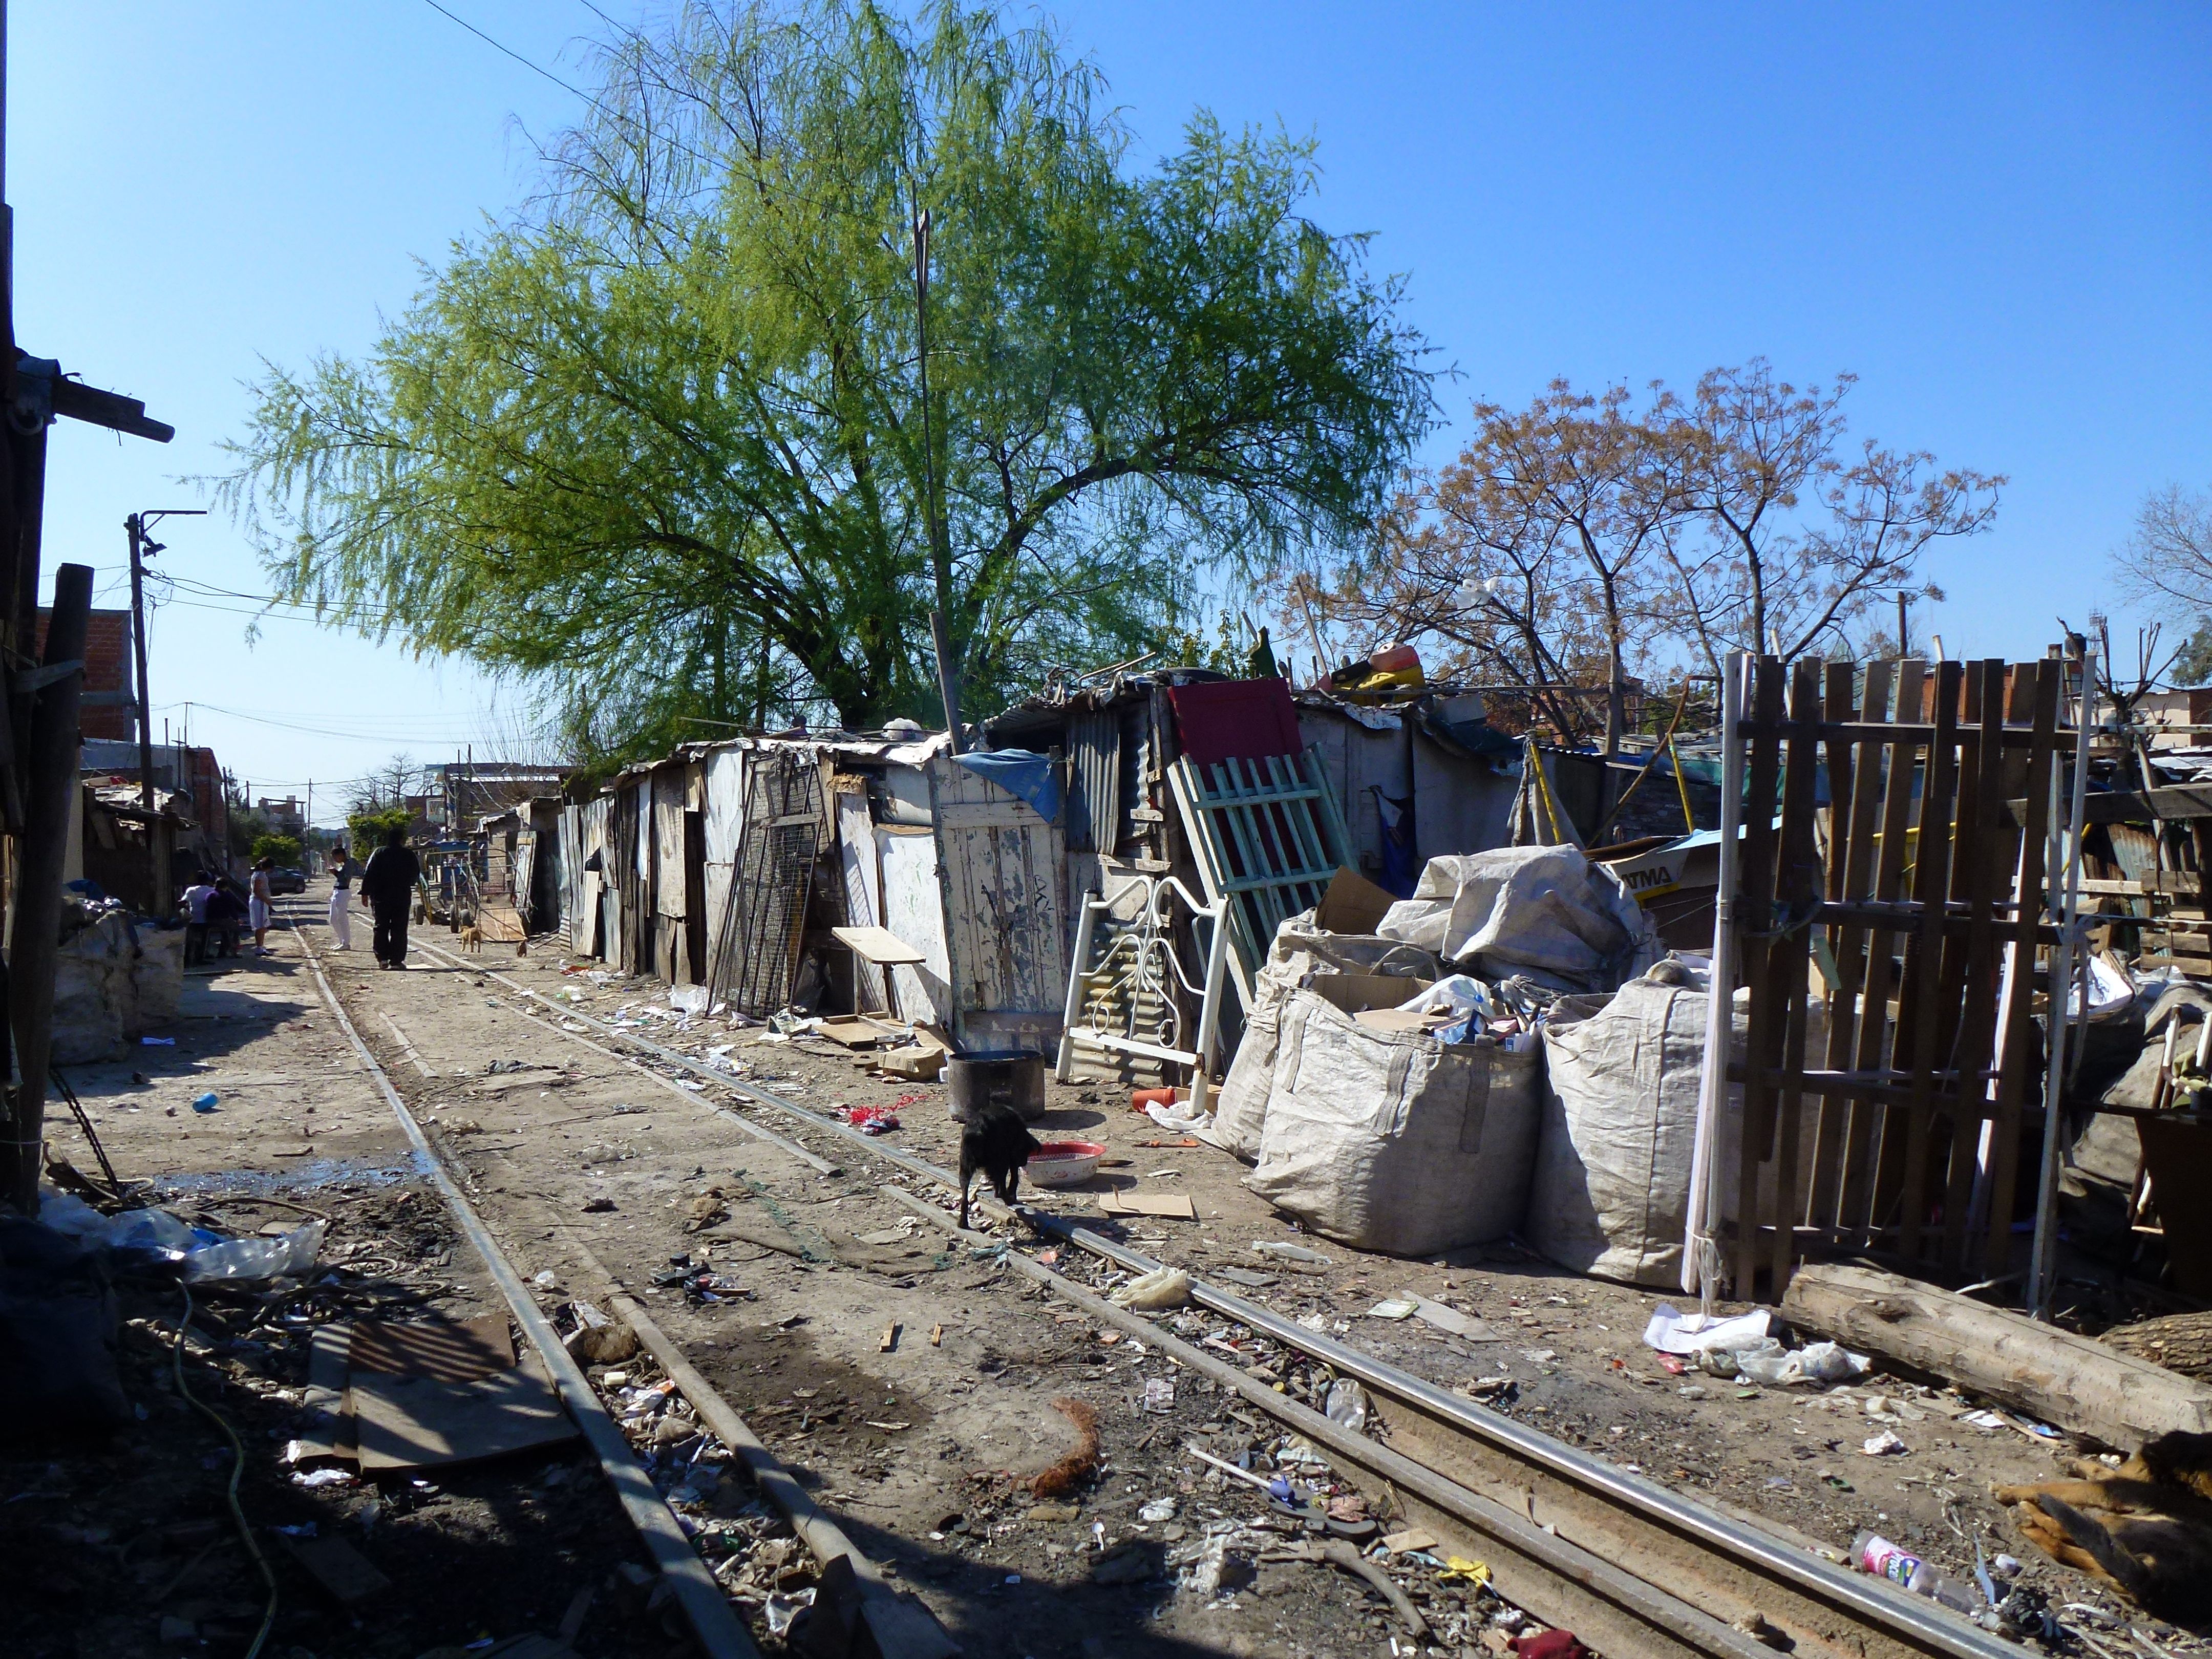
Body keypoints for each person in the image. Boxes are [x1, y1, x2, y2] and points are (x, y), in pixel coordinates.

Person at [360, 824, 421, 969]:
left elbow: (369, 873)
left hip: (380, 897)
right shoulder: (408, 854)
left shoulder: (379, 853)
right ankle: (396, 961)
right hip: (401, 897)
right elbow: (415, 874)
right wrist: (406, 883)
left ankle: (382, 959)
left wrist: (365, 893)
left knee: (381, 927)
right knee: (399, 929)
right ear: (401, 840)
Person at [326, 840, 363, 950]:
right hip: (337, 891)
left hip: (343, 892)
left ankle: (346, 943)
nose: (335, 860)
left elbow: (345, 879)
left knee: (342, 918)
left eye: (335, 857)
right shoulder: (344, 865)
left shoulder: (349, 864)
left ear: (341, 855)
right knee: (333, 919)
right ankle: (342, 941)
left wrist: (336, 873)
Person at [182, 872, 217, 967]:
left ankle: (188, 959)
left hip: (193, 919)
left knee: (190, 940)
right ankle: (200, 958)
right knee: (204, 940)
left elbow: (183, 902)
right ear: (209, 881)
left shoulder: (191, 890)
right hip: (206, 919)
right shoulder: (212, 891)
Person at [248, 858, 276, 955]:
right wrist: (266, 900)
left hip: (261, 902)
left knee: (263, 925)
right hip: (259, 902)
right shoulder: (259, 875)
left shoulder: (258, 874)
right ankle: (259, 947)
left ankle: (261, 946)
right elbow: (257, 891)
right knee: (260, 925)